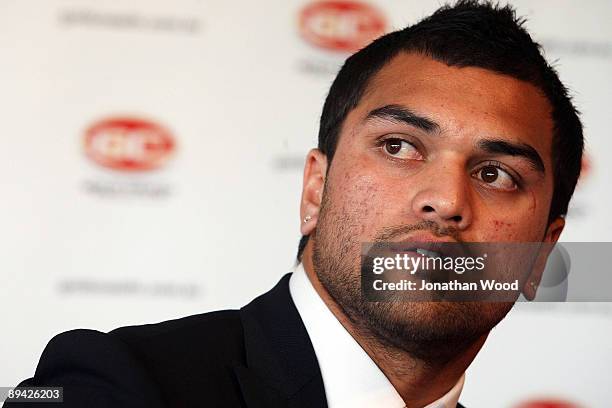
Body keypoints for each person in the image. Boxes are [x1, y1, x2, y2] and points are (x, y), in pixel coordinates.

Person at [5, 1, 583, 407]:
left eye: (495, 173)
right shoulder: (117, 385)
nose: (445, 200)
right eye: (399, 146)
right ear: (315, 189)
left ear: (539, 256)